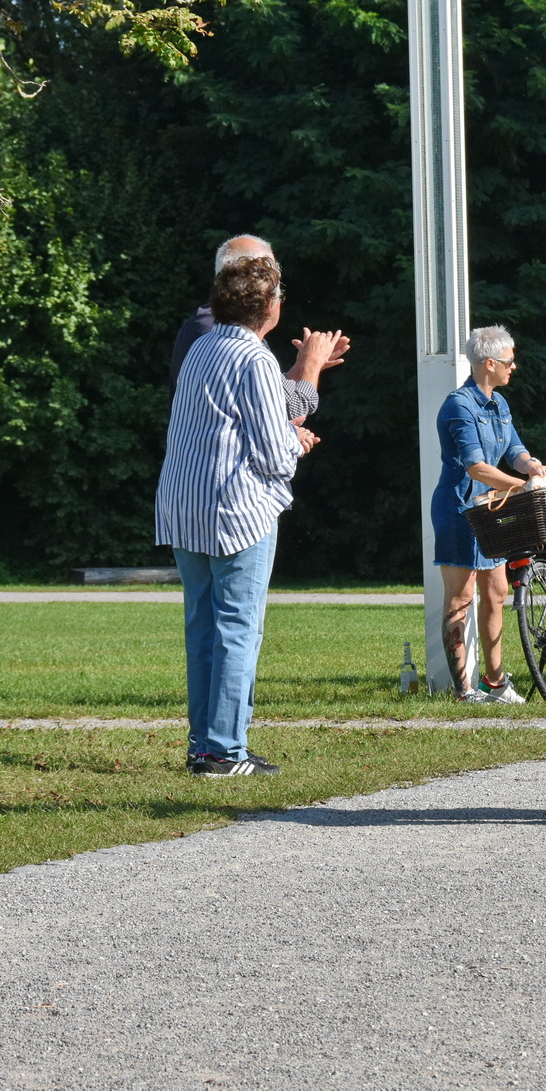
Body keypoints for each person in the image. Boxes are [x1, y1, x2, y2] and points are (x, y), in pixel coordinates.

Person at [156, 256, 318, 776]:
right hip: (236, 510)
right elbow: (274, 452)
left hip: (185, 506)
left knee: (203, 628)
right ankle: (224, 750)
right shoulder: (255, 359)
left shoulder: (202, 346)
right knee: (237, 629)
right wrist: (297, 440)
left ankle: (205, 744)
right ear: (270, 308)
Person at [431, 326, 546, 703]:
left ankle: (495, 683)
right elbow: (476, 467)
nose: (514, 368)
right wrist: (520, 485)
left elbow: (515, 449)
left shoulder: (499, 403)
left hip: (490, 507)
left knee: (496, 592)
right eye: (510, 362)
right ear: (490, 363)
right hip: (459, 508)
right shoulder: (459, 405)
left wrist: (531, 466)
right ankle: (463, 691)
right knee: (460, 598)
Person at [170, 234, 349, 417]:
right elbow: (287, 411)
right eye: (269, 271)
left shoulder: (230, 328)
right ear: (246, 275)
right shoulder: (217, 330)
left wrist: (304, 365)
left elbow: (267, 394)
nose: (274, 282)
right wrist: (311, 364)